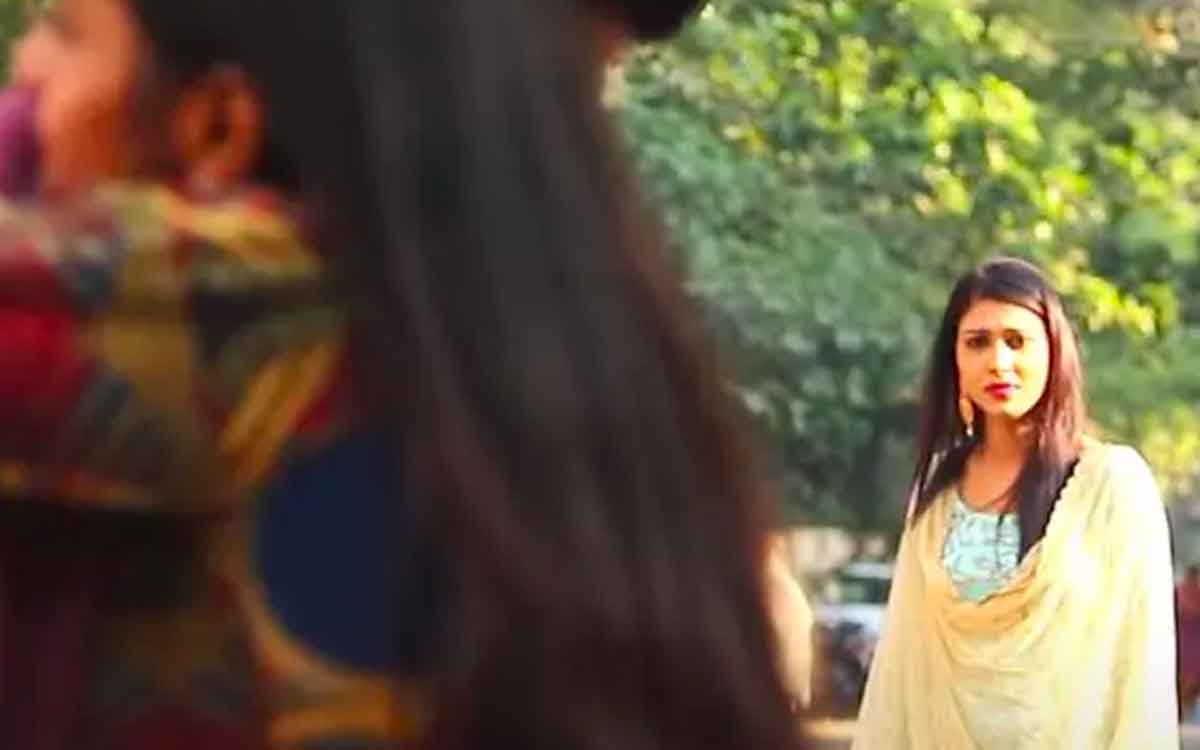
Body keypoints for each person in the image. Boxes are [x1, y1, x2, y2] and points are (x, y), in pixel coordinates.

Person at [0, 0, 802, 749]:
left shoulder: (238, 299)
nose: (25, 73)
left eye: (64, 32)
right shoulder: (546, 340)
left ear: (220, 125)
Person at [853, 257, 1178, 748]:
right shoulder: (936, 490)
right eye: (977, 342)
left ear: (1054, 351)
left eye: (1017, 341)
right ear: (954, 359)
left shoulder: (1111, 485)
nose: (998, 362)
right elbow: (900, 667)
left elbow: (1141, 675)